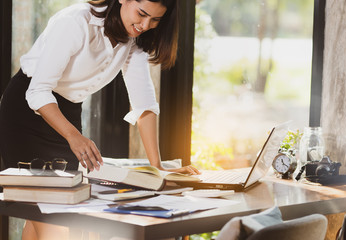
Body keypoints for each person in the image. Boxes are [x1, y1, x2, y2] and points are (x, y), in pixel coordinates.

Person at [0, 0, 200, 239]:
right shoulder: (76, 21)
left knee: (48, 212)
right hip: (26, 114)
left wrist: (158, 169)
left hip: (68, 114)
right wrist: (74, 136)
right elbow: (38, 91)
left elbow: (144, 104)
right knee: (51, 215)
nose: (145, 25)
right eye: (142, 14)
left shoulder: (134, 39)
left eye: (155, 20)